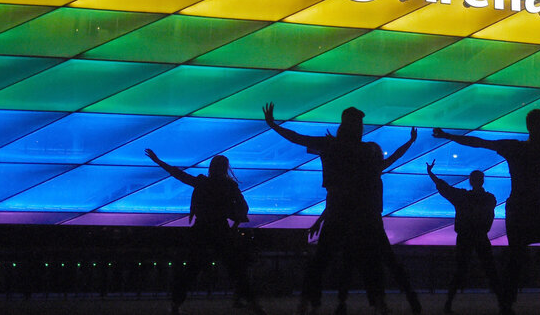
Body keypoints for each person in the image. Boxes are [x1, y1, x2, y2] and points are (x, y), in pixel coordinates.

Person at [433, 78, 540, 315]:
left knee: (526, 261)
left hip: (523, 211)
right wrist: (449, 136)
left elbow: (481, 142)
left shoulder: (523, 147)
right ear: (533, 127)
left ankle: (513, 306)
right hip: (530, 211)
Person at [263, 103, 420, 315]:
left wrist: (273, 125)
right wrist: (408, 143)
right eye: (359, 123)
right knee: (375, 261)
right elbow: (390, 161)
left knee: (323, 259)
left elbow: (298, 138)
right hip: (365, 215)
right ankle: (383, 302)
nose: (361, 127)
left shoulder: (333, 146)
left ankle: (310, 302)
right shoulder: (367, 151)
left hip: (341, 213)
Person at [144, 148, 264, 315]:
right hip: (221, 230)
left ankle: (176, 305)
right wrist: (234, 225)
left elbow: (179, 175)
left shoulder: (203, 182)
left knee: (192, 269)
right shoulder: (230, 186)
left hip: (201, 230)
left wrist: (159, 161)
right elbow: (243, 207)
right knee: (236, 269)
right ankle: (252, 303)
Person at [426, 160, 502, 313]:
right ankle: (503, 304)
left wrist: (430, 173)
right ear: (482, 181)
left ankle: (448, 303)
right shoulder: (489, 199)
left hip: (465, 236)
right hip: (481, 236)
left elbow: (444, 187)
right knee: (490, 270)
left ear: (470, 181)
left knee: (460, 270)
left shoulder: (462, 196)